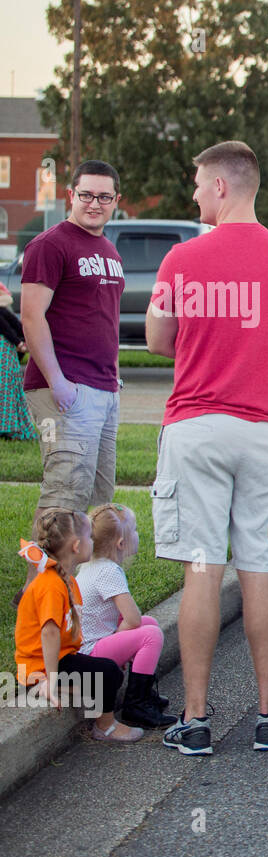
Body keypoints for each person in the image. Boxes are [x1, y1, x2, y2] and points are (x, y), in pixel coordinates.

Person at [145, 141, 268, 755]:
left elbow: (159, 340)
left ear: (220, 186)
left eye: (196, 183)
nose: (193, 194)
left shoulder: (181, 258)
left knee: (200, 568)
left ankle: (196, 719)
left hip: (197, 425)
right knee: (263, 572)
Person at [18, 160, 125, 590]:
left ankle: (80, 588)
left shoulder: (108, 250)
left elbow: (105, 320)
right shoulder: (51, 244)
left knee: (98, 497)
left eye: (103, 196)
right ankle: (36, 590)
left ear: (117, 200)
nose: (94, 204)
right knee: (62, 494)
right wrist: (57, 380)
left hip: (101, 388)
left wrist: (112, 376)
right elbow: (30, 315)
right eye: (86, 195)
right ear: (71, 196)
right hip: (62, 388)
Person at [14, 509, 142, 742]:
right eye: (90, 538)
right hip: (40, 665)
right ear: (76, 546)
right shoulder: (51, 585)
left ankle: (53, 685)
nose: (93, 542)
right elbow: (49, 633)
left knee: (108, 670)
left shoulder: (65, 579)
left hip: (59, 658)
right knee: (108, 673)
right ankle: (105, 726)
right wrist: (51, 679)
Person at [76, 503, 176, 727]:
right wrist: (118, 642)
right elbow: (132, 619)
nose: (138, 535)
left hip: (87, 645)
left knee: (150, 624)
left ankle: (143, 693)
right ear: (121, 543)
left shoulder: (94, 566)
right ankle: (136, 704)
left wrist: (119, 638)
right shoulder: (109, 571)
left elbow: (125, 619)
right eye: (135, 530)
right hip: (91, 652)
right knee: (150, 633)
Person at [0, 281, 37, 440]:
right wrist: (20, 341)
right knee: (8, 386)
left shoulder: (2, 311)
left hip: (5, 350)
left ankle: (7, 427)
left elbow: (8, 325)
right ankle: (8, 427)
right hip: (7, 349)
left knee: (7, 386)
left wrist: (20, 341)